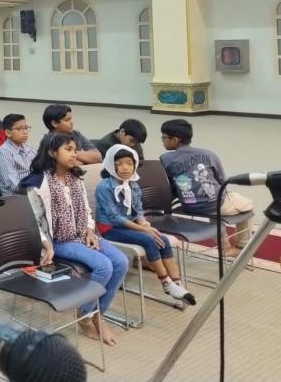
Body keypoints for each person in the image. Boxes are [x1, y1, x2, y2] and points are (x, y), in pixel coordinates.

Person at [24, 133, 128, 346]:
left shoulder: (75, 177)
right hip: (58, 241)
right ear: (52, 153)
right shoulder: (37, 184)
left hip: (82, 234)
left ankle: (97, 314)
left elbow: (87, 210)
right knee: (104, 266)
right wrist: (46, 245)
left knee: (121, 261)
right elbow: (33, 222)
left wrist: (89, 230)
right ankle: (86, 315)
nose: (75, 154)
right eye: (68, 150)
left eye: (75, 149)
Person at [95, 145, 195, 305]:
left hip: (129, 226)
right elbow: (114, 218)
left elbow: (138, 210)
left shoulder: (133, 184)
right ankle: (166, 283)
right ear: (111, 165)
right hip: (110, 229)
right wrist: (143, 229)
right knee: (149, 239)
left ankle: (177, 283)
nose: (125, 168)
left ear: (135, 164)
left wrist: (144, 224)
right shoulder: (104, 186)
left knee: (162, 239)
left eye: (129, 163)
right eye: (119, 164)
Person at [158, 119, 253, 251]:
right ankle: (243, 245)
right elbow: (222, 180)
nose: (162, 141)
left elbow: (169, 185)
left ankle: (224, 247)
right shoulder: (209, 154)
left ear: (175, 140)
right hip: (215, 204)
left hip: (188, 206)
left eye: (163, 138)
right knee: (248, 204)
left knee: (215, 209)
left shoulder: (165, 159)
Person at [0, 114, 36, 196]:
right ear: (8, 133)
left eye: (26, 128)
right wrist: (37, 189)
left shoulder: (28, 148)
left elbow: (40, 169)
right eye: (19, 129)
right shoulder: (4, 152)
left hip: (32, 193)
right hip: (16, 199)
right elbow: (13, 185)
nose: (25, 132)